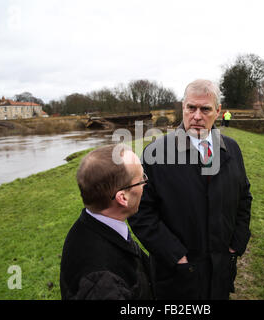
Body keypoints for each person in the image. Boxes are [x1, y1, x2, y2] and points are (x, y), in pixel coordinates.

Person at [128, 79, 252, 300]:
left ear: (218, 111)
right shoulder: (154, 154)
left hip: (220, 269)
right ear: (182, 107)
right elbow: (140, 213)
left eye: (205, 109)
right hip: (177, 274)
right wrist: (176, 256)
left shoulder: (232, 149)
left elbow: (244, 197)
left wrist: (237, 242)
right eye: (191, 108)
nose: (197, 116)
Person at [60, 144, 153, 300]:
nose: (145, 183)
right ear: (123, 198)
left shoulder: (90, 225)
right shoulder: (103, 286)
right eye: (141, 179)